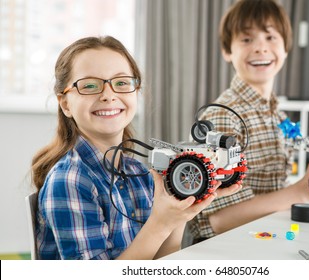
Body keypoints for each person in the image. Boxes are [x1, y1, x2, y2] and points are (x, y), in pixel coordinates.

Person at [31, 36, 240, 260]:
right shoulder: (70, 180)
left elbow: (162, 264)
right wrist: (160, 223)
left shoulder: (136, 171)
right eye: (90, 86)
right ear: (65, 104)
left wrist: (181, 208)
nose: (109, 95)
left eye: (121, 83)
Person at [188, 0, 309, 243]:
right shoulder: (224, 116)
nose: (261, 48)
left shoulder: (276, 114)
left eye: (270, 37)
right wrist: (300, 192)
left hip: (263, 238)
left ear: (286, 47)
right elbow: (220, 220)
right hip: (224, 249)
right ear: (227, 51)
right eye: (247, 39)